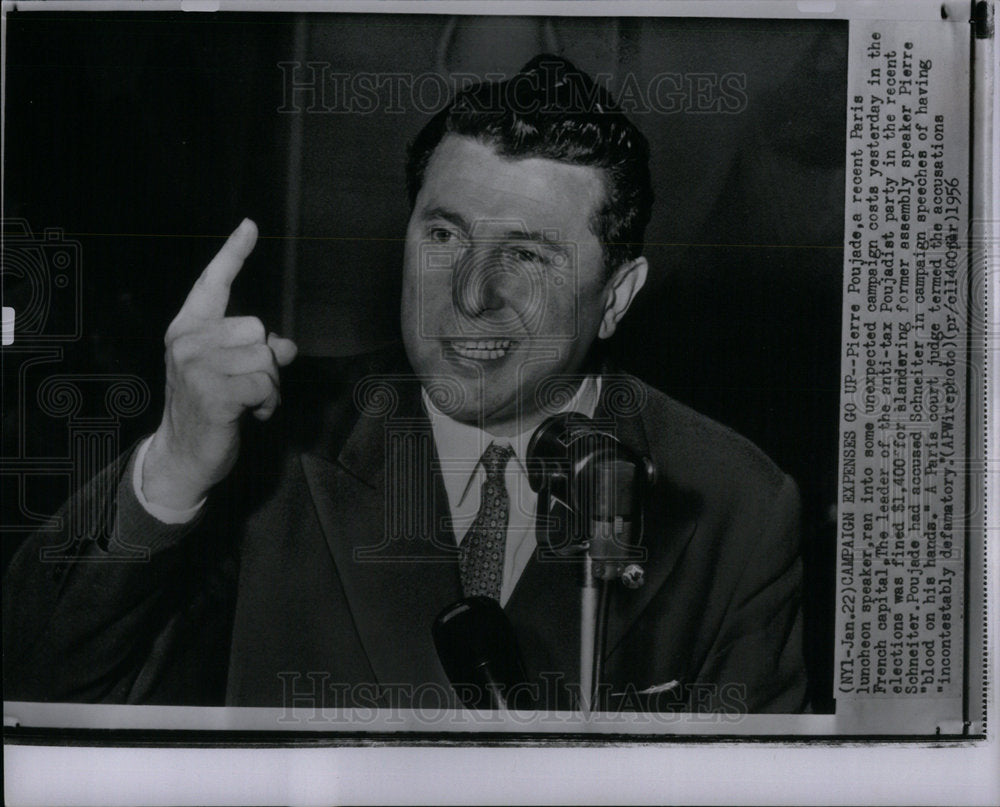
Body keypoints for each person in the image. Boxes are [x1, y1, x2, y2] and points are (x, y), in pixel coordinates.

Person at [3, 55, 807, 714]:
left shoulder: (735, 505)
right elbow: (38, 687)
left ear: (618, 295)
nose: (467, 295)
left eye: (526, 254)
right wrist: (173, 469)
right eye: (445, 233)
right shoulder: (276, 441)